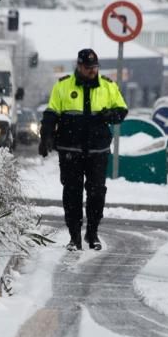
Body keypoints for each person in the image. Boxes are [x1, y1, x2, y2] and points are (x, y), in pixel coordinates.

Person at [39, 49, 128, 251]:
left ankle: (92, 232)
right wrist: (46, 137)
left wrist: (110, 115)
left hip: (98, 149)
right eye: (88, 68)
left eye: (94, 68)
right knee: (72, 193)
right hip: (70, 149)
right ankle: (74, 237)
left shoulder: (108, 86)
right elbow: (51, 112)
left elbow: (122, 111)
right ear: (78, 66)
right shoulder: (63, 86)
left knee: (97, 193)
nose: (92, 71)